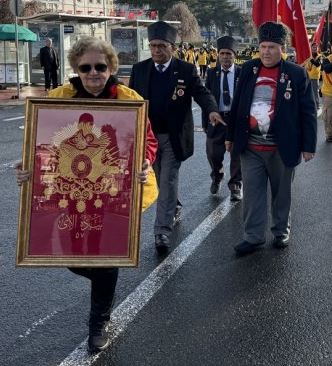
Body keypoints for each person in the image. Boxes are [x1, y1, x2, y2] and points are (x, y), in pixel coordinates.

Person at [14, 36, 158, 353]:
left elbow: (147, 141)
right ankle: (103, 276)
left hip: (115, 193)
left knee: (106, 255)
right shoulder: (58, 97)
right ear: (76, 68)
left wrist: (145, 161)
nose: (93, 73)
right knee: (74, 255)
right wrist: (28, 169)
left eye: (100, 67)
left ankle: (99, 322)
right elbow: (42, 143)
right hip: (71, 192)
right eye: (86, 67)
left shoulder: (128, 98)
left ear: (111, 67)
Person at [129, 21, 223, 253]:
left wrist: (211, 110)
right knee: (161, 179)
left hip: (173, 138)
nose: (156, 51)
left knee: (168, 179)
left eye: (161, 46)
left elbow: (202, 92)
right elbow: (128, 100)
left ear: (172, 46)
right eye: (152, 46)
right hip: (148, 139)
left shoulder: (186, 70)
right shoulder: (139, 70)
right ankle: (174, 205)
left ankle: (162, 231)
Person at [225, 22, 317, 256]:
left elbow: (308, 110)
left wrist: (308, 146)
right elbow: (237, 105)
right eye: (262, 46)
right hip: (251, 147)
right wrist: (230, 136)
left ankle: (280, 231)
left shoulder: (296, 73)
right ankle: (253, 237)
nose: (266, 52)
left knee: (281, 193)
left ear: (282, 47)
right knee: (253, 195)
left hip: (281, 146)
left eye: (272, 47)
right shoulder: (248, 69)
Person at [204, 35, 243, 200]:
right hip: (217, 118)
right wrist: (206, 122)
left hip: (236, 119)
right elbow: (205, 97)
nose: (226, 57)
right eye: (222, 53)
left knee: (237, 154)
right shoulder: (212, 73)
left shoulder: (242, 72)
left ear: (235, 55)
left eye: (229, 53)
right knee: (213, 152)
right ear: (218, 55)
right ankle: (217, 176)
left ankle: (235, 185)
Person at [302, 42, 323, 111]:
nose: (314, 48)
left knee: (314, 92)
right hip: (306, 76)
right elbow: (302, 65)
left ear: (317, 48)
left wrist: (311, 59)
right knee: (305, 92)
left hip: (314, 77)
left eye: (316, 47)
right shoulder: (307, 56)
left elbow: (317, 64)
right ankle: (308, 105)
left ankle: (316, 105)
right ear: (310, 48)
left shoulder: (319, 56)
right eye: (313, 47)